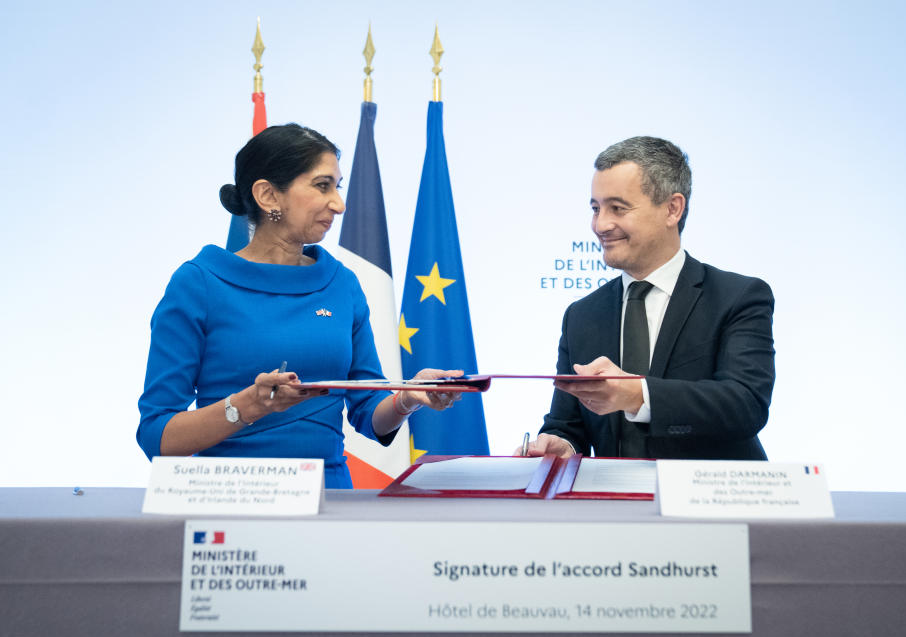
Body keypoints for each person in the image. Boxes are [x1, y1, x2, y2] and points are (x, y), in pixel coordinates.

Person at [137, 123, 461, 488]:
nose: (339, 204)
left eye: (336, 187)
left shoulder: (341, 283)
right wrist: (250, 405)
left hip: (330, 502)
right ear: (268, 195)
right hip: (232, 503)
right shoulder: (198, 284)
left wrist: (406, 399)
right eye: (322, 186)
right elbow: (157, 435)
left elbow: (369, 412)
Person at [521, 136, 775, 460]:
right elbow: (568, 424)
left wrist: (638, 395)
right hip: (613, 507)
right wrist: (561, 444)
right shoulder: (581, 316)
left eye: (618, 208)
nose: (600, 225)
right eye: (596, 208)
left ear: (672, 209)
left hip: (711, 505)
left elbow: (745, 404)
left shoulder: (737, 298)